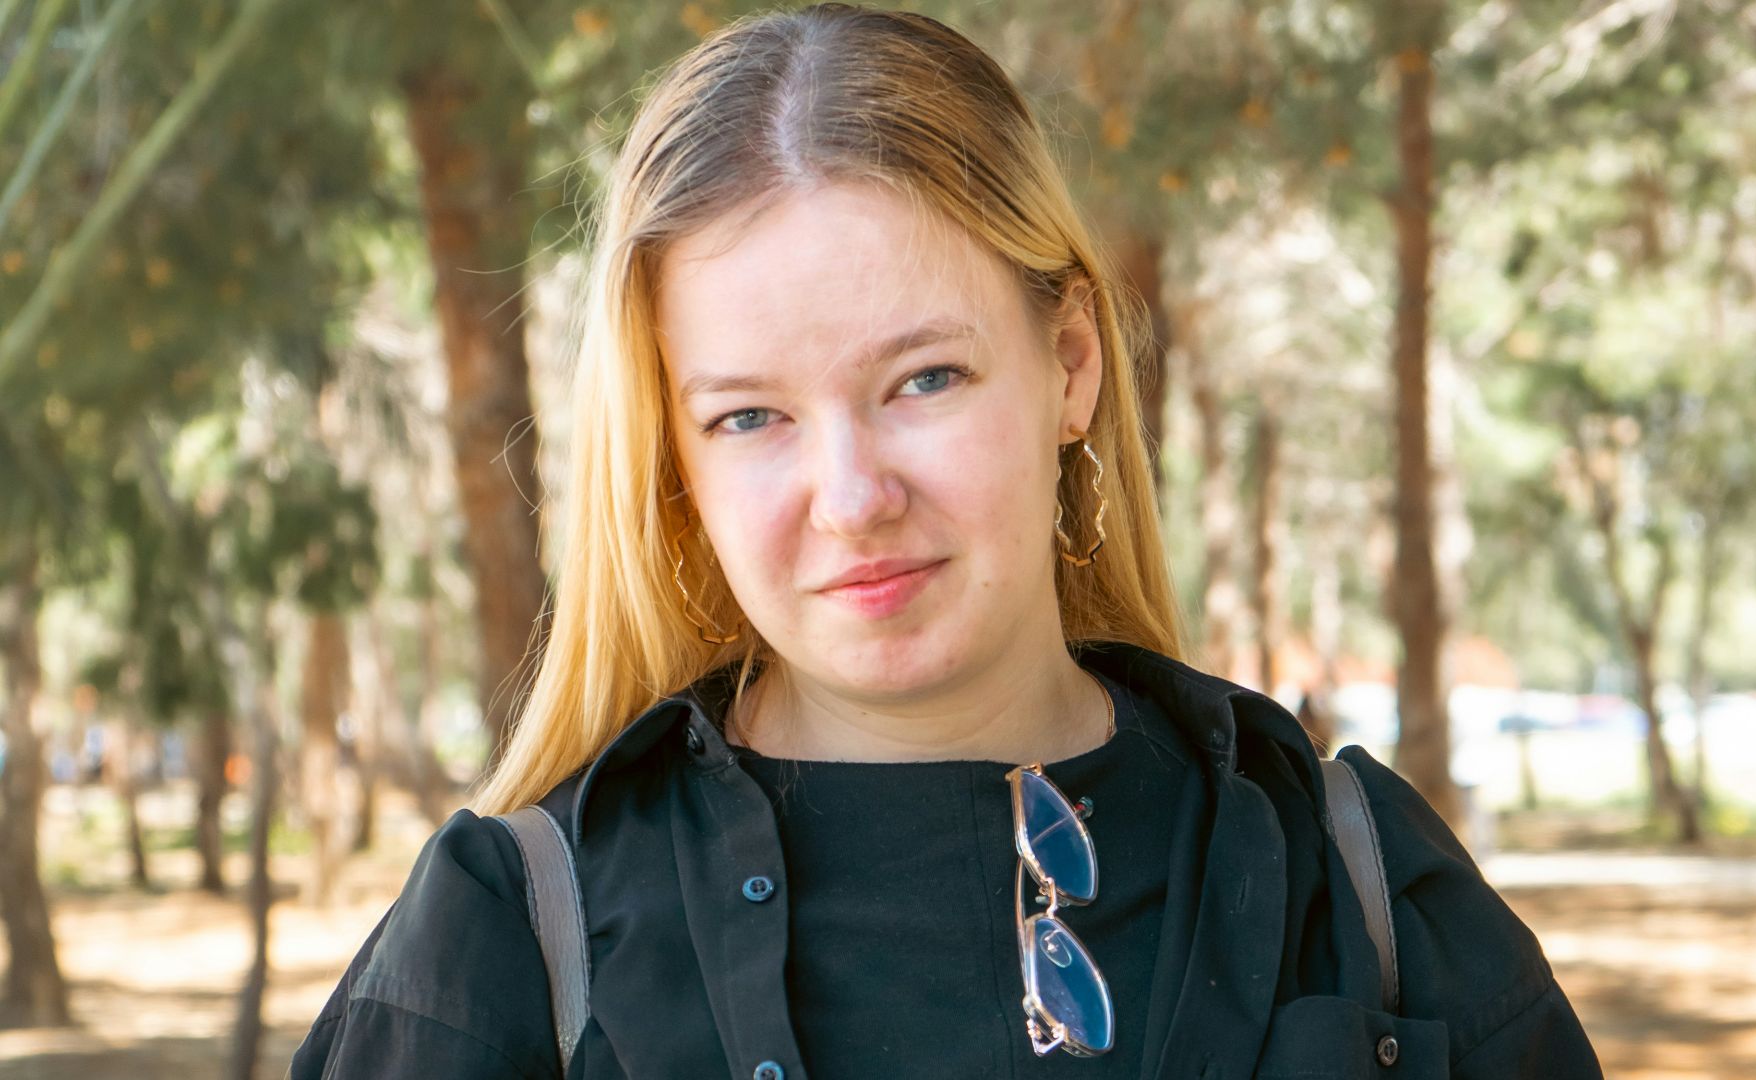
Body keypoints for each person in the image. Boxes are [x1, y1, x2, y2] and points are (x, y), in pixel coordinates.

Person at [289, 5, 1602, 1078]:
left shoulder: (1360, 892)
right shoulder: (513, 944)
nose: (851, 495)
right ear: (675, 464)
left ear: (1071, 362)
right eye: (750, 416)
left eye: (924, 380)